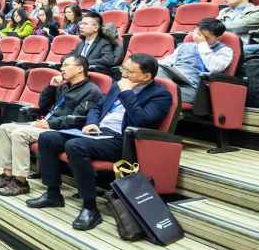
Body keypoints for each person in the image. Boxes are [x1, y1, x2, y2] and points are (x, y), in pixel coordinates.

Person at [28, 54, 172, 231]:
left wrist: (127, 93)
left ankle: (90, 207)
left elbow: (141, 120)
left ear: (146, 76)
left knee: (75, 146)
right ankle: (53, 194)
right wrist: (92, 122)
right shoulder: (118, 85)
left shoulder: (160, 95)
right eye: (123, 69)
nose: (123, 74)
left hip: (123, 140)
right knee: (48, 138)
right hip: (98, 132)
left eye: (129, 72)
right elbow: (97, 107)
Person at [0, 54, 103, 197]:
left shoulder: (91, 91)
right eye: (62, 65)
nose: (62, 68)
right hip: (46, 123)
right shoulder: (64, 86)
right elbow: (43, 105)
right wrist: (51, 86)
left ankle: (20, 181)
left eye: (66, 65)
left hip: (63, 130)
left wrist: (49, 124)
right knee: (4, 128)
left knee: (19, 134)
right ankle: (7, 174)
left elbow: (77, 119)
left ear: (79, 69)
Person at [157, 19, 234, 104]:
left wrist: (202, 44)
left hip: (196, 90)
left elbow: (214, 68)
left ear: (218, 37)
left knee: (156, 94)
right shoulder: (185, 46)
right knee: (156, 68)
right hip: (175, 81)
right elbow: (166, 63)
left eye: (206, 38)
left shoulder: (225, 51)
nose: (200, 38)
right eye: (199, 34)